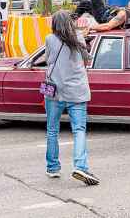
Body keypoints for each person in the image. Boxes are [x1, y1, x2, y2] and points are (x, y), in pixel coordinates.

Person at [44, 10, 100, 186]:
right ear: (70, 22)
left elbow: (48, 60)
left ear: (54, 24)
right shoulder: (78, 37)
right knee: (79, 129)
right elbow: (87, 60)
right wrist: (83, 39)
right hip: (77, 90)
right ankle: (80, 166)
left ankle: (53, 167)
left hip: (55, 90)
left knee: (52, 130)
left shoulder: (50, 39)